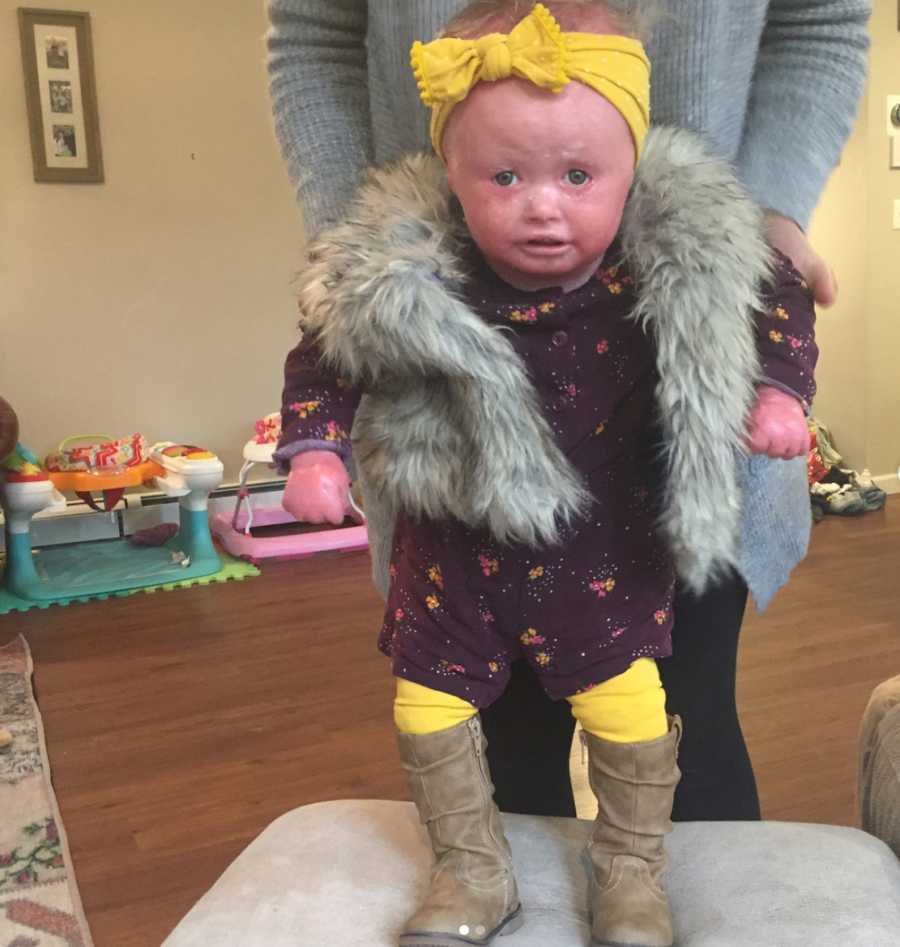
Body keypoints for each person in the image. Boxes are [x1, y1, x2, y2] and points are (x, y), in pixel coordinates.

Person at [271, 3, 818, 943]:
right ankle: (473, 870)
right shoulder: (411, 275)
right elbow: (328, 347)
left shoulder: (661, 258)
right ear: (451, 171)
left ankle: (632, 874)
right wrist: (315, 449)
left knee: (647, 707)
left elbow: (768, 296)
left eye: (576, 176)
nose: (542, 206)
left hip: (606, 561)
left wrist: (774, 395)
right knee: (435, 706)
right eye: (505, 175)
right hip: (456, 560)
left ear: (631, 169)